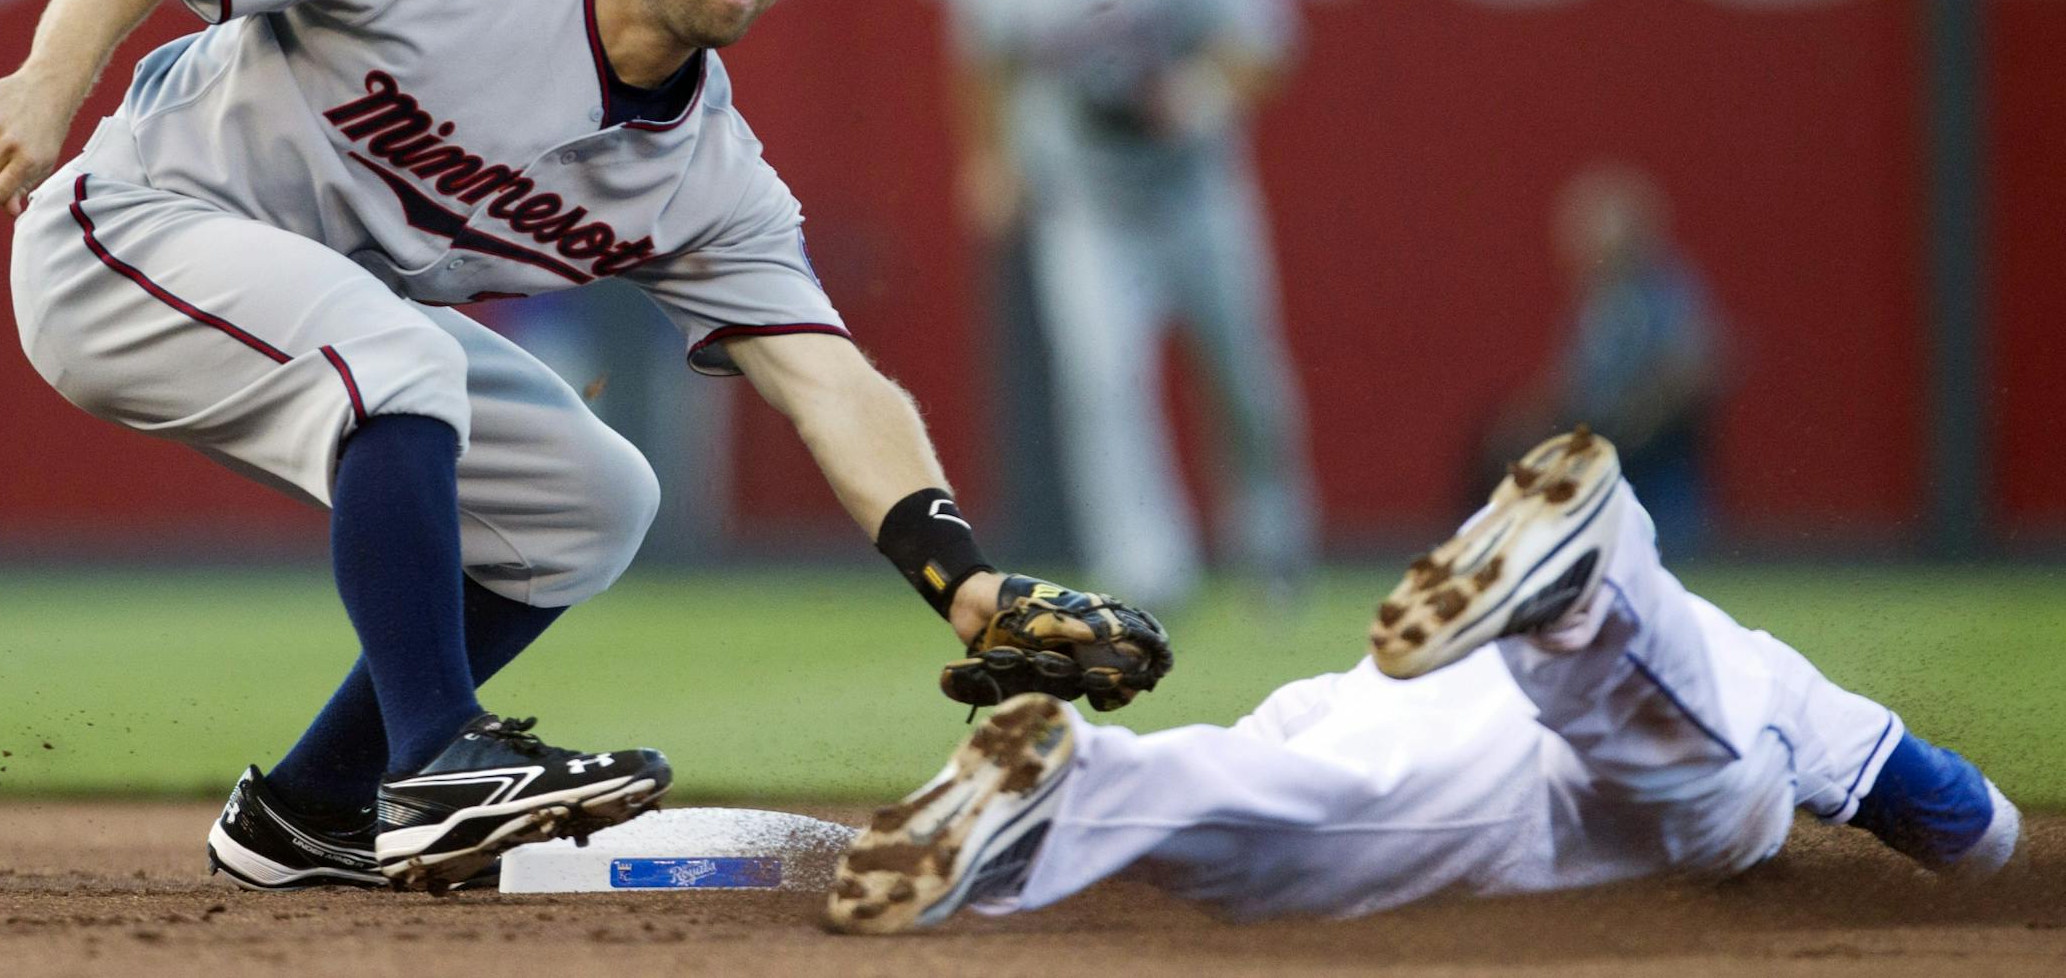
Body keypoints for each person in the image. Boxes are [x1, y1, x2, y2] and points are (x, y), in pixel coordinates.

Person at [0, 0, 1169, 894]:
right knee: (403, 357)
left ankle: (309, 812)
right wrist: (51, 80)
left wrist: (962, 578)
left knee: (593, 499)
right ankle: (439, 757)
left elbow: (828, 378)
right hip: (127, 234)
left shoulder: (712, 178)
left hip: (325, 306)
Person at [828, 427, 2022, 932]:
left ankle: (1074, 792)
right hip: (1582, 758)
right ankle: (1595, 592)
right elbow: (1963, 819)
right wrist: (1995, 863)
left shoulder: (1742, 660)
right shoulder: (1762, 670)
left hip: (1381, 705)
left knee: (1292, 816)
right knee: (1716, 798)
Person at [946, 0, 1319, 610]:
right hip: (1087, 209)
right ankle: (1147, 564)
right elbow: (985, 66)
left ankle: (1273, 542)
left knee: (1244, 379)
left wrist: (1197, 93)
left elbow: (1268, 46)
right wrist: (991, 159)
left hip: (1195, 196)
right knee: (1106, 384)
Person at [1483, 165, 1725, 549]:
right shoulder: (1595, 300)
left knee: (1672, 549)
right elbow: (1578, 377)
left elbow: (1697, 361)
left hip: (1658, 456)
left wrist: (1642, 416)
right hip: (1606, 451)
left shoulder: (1661, 290)